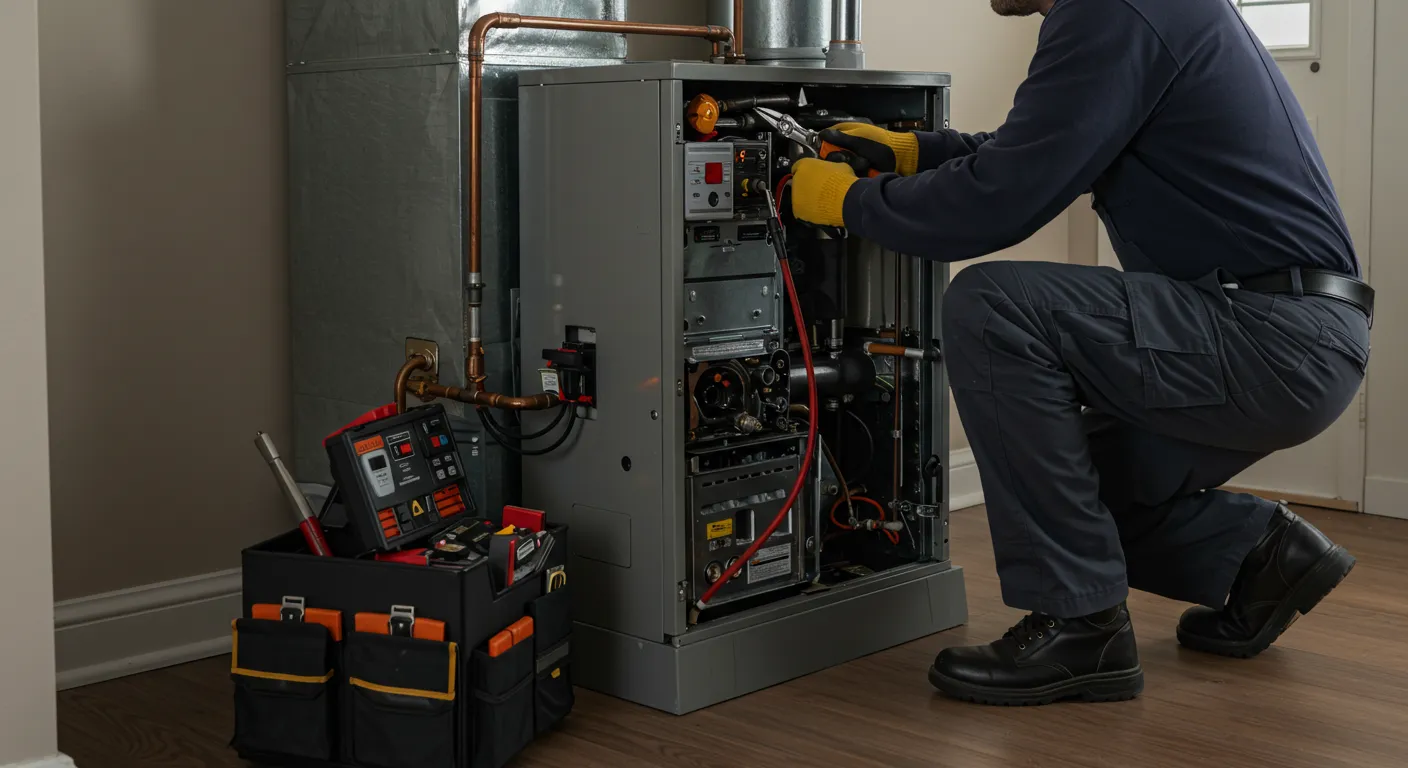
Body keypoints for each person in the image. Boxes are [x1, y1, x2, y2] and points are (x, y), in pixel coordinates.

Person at [788, 0, 1373, 706]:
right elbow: (1039, 147)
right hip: (1295, 335)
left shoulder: (1112, 8)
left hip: (1269, 338)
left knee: (992, 304)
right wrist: (919, 153)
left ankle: (1081, 628)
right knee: (1065, 490)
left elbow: (998, 201)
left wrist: (849, 203)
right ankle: (1264, 557)